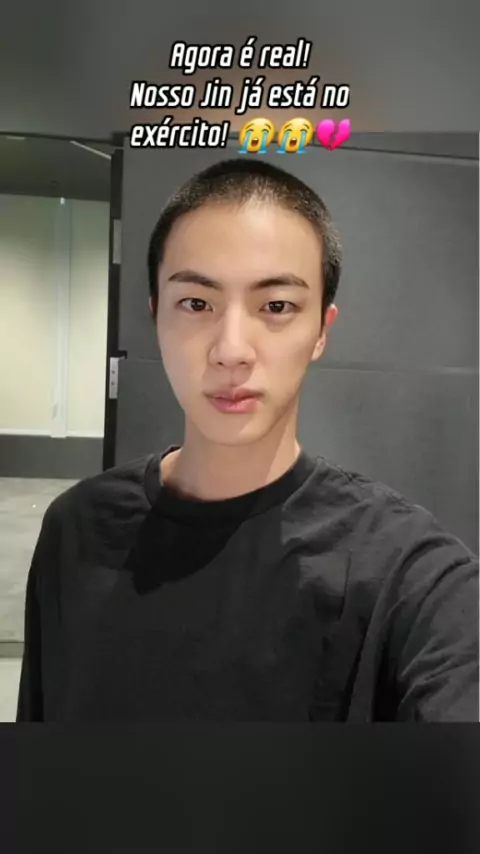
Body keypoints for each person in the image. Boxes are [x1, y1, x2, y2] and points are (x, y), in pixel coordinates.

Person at [16, 158, 479, 722]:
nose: (231, 350)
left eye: (276, 306)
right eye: (196, 304)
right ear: (156, 315)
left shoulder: (406, 573)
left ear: (321, 331)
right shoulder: (76, 529)